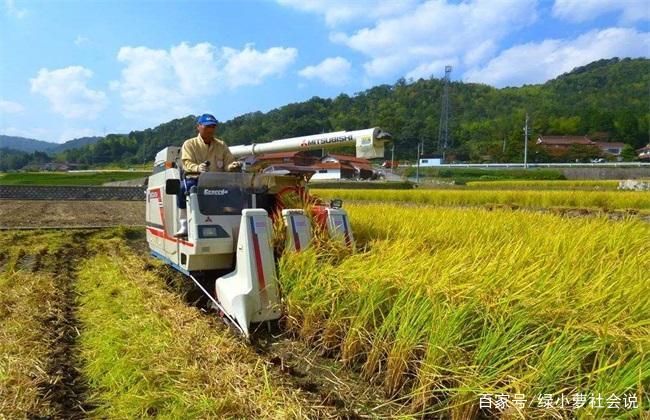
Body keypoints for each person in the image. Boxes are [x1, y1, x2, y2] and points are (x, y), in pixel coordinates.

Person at [174, 113, 242, 237]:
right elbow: (186, 162)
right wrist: (198, 168)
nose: (210, 129)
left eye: (213, 126)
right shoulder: (190, 144)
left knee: (238, 191)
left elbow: (228, 163)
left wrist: (232, 166)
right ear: (198, 127)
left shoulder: (221, 145)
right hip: (196, 180)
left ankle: (236, 222)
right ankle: (184, 224)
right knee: (183, 188)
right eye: (207, 126)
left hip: (218, 181)